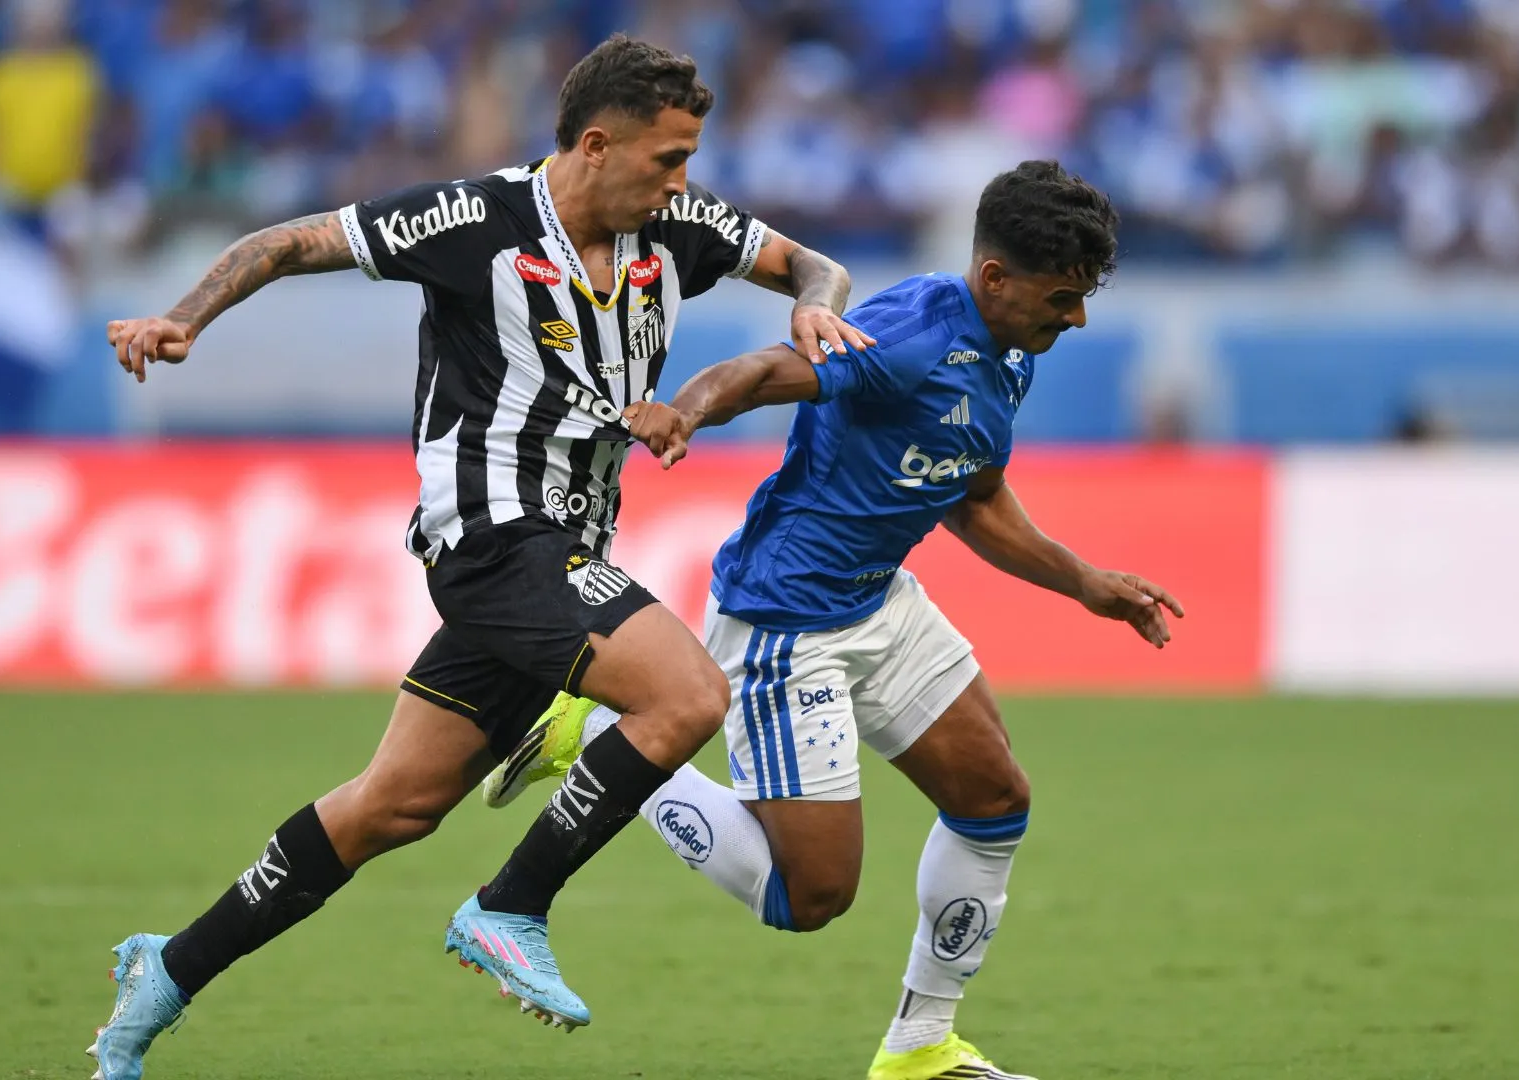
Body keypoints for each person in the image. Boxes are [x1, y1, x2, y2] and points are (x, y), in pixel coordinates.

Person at [89, 34, 871, 1080]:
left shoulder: (673, 227)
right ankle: (512, 906)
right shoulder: (475, 223)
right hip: (492, 536)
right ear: (596, 146)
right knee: (685, 697)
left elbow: (813, 265)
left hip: (566, 543)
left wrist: (816, 304)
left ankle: (166, 974)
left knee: (391, 806)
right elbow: (285, 243)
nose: (684, 182)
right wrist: (182, 320)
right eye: (667, 159)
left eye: (690, 159)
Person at [480, 160, 1184, 1080]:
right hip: (787, 623)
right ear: (995, 279)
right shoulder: (911, 337)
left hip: (880, 598)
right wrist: (685, 411)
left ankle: (921, 1048)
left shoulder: (1011, 349)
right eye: (1065, 297)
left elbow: (971, 497)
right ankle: (610, 738)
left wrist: (1082, 581)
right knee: (807, 896)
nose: (1077, 317)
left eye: (1084, 297)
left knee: (993, 801)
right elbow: (767, 369)